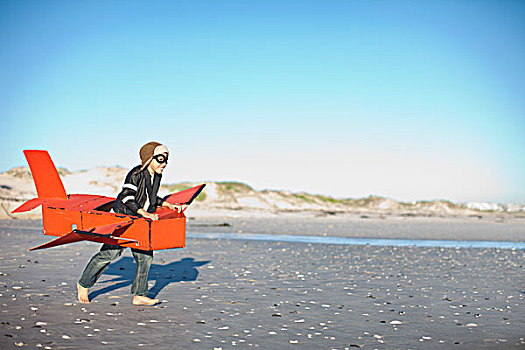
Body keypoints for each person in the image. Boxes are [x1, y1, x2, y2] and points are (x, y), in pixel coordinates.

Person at [76, 142, 179, 305]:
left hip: (140, 221)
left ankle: (139, 295)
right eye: (160, 159)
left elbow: (149, 198)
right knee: (110, 254)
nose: (164, 164)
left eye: (166, 159)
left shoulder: (156, 176)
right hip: (123, 218)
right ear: (149, 158)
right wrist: (143, 212)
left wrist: (166, 204)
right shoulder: (136, 174)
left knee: (145, 256)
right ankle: (83, 284)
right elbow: (126, 197)